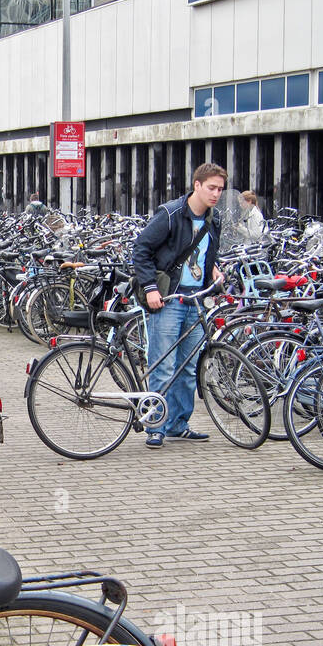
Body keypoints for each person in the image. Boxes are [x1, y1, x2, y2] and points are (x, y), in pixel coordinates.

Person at [131, 163, 228, 449]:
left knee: (188, 368)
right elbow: (141, 249)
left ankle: (179, 424)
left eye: (220, 189)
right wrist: (150, 287)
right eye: (211, 187)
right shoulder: (171, 214)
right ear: (196, 185)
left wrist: (213, 271)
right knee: (163, 365)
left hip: (195, 300)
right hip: (168, 299)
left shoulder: (214, 219)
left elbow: (206, 252)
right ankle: (156, 426)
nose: (216, 194)